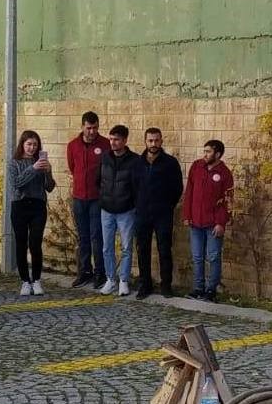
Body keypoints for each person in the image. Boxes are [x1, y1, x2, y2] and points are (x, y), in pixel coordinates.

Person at [131, 127, 183, 299]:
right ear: (145, 141)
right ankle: (145, 285)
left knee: (164, 250)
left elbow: (177, 189)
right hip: (142, 214)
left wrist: (168, 206)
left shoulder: (170, 163)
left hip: (163, 214)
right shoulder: (137, 163)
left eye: (156, 140)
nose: (153, 144)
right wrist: (137, 205)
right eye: (150, 140)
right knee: (143, 250)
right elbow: (132, 186)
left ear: (161, 141)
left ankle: (166, 285)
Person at [183, 139, 233, 301]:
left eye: (208, 152)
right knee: (197, 257)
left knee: (213, 256)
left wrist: (221, 222)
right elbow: (189, 192)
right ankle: (198, 288)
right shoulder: (197, 167)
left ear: (217, 154)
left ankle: (211, 290)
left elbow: (228, 200)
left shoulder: (225, 173)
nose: (205, 154)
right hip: (195, 222)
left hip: (213, 223)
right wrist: (186, 215)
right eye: (204, 151)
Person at [65, 111, 111, 288]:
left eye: (95, 128)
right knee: (82, 237)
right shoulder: (73, 146)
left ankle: (100, 273)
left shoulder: (105, 144)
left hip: (97, 198)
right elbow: (72, 167)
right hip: (79, 198)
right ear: (82, 127)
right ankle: (85, 271)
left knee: (96, 236)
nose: (92, 131)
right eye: (89, 128)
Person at [8, 130, 56, 297]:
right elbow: (17, 183)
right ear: (22, 144)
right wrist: (33, 168)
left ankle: (36, 280)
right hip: (19, 205)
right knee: (21, 243)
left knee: (35, 243)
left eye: (35, 145)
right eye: (29, 144)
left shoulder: (40, 162)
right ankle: (25, 281)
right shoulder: (14, 163)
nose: (32, 148)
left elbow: (49, 187)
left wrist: (48, 171)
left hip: (37, 205)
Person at [97, 125, 139, 297]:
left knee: (126, 247)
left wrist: (133, 204)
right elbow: (97, 180)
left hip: (126, 211)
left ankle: (123, 281)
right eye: (111, 139)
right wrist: (102, 198)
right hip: (106, 209)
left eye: (116, 139)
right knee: (107, 247)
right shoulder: (105, 157)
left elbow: (138, 186)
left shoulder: (135, 161)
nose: (112, 142)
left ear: (125, 140)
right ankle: (110, 279)